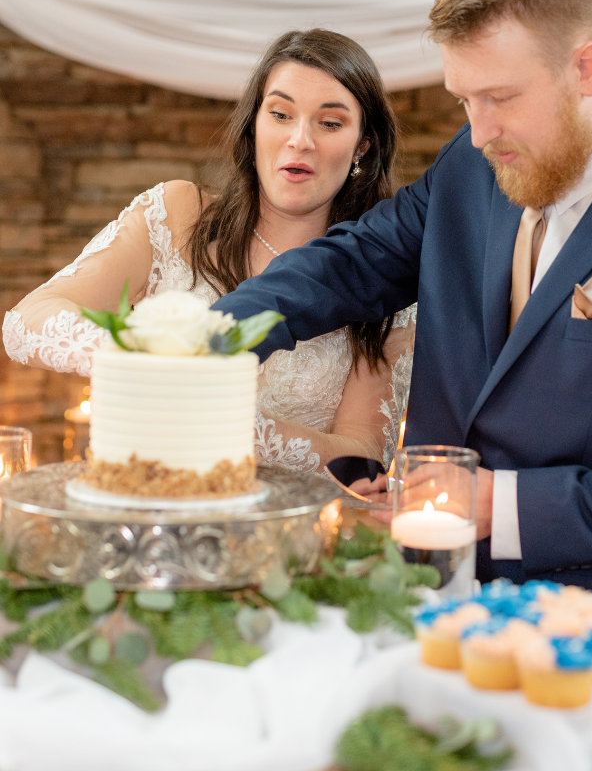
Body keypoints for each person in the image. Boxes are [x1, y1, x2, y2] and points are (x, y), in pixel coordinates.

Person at [207, 0, 592, 589]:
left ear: (587, 69)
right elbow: (356, 260)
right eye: (465, 100)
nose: (479, 129)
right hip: (417, 584)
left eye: (501, 98)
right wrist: (212, 336)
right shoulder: (476, 157)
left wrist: (504, 506)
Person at [4, 30, 414, 474]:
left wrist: (228, 424)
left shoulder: (385, 275)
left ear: (363, 146)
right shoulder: (177, 214)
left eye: (330, 123)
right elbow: (26, 320)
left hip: (279, 532)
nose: (300, 139)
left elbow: (363, 454)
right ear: (253, 125)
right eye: (280, 114)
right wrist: (148, 358)